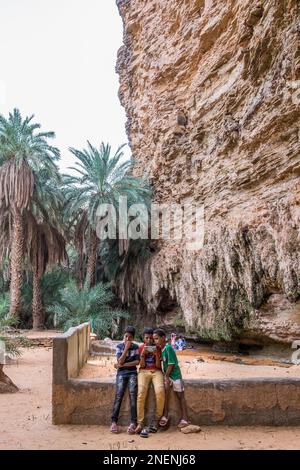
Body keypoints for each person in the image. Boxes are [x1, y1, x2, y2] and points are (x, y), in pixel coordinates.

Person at [153, 328, 190, 429]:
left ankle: (185, 418)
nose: (155, 341)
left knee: (180, 396)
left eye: (156, 339)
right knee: (166, 394)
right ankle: (165, 415)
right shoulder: (162, 349)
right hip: (169, 376)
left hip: (175, 376)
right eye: (154, 339)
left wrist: (166, 376)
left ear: (163, 338)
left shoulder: (168, 348)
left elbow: (171, 364)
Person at [135, 327, 165, 437]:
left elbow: (158, 366)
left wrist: (156, 353)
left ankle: (156, 420)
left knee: (160, 392)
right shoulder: (141, 347)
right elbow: (141, 365)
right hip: (143, 371)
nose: (149, 341)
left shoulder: (158, 348)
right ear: (143, 338)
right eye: (146, 338)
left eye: (151, 338)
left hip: (156, 371)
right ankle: (140, 423)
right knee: (141, 393)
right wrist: (143, 353)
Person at [110, 326, 140, 434]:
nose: (127, 338)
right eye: (126, 336)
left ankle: (133, 422)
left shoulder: (136, 347)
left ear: (133, 338)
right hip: (121, 374)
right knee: (119, 395)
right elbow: (119, 360)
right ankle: (114, 422)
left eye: (130, 337)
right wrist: (126, 349)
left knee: (133, 394)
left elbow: (137, 362)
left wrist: (121, 365)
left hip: (132, 373)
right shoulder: (119, 346)